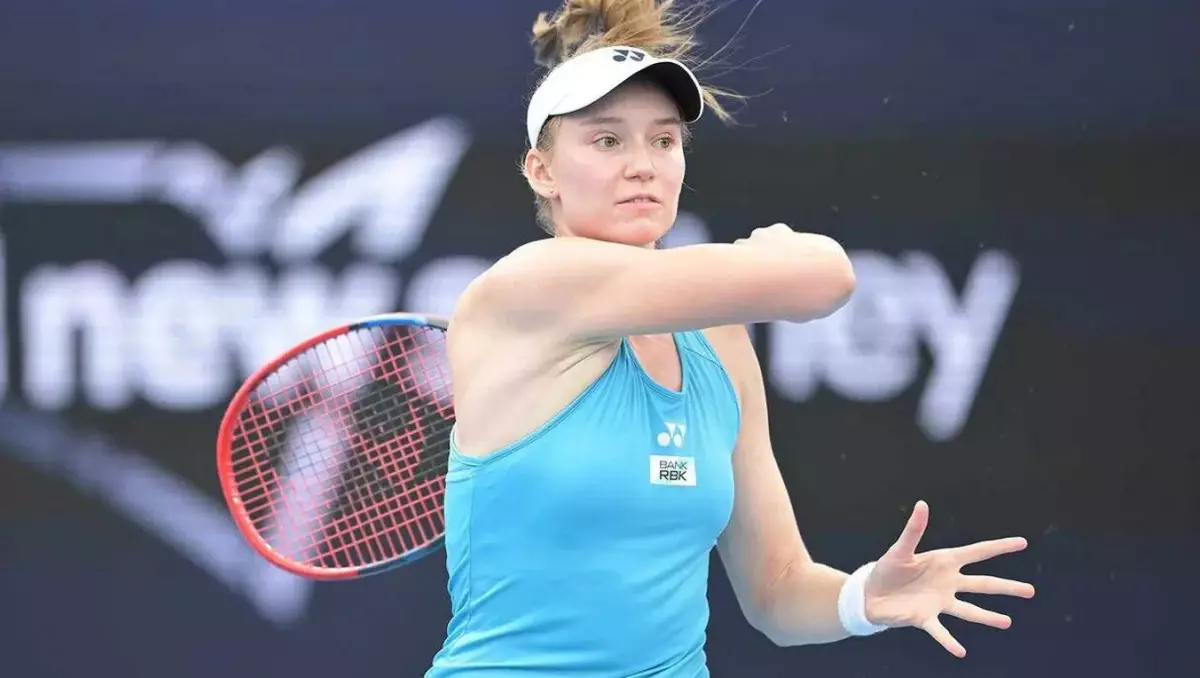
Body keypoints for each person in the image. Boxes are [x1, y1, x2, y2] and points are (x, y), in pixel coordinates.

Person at [427, 1, 1035, 675]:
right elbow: (827, 276)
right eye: (607, 141)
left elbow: (779, 590)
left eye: (664, 141)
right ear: (542, 171)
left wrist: (864, 598)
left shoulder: (718, 341)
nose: (643, 165)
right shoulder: (529, 285)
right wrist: (772, 251)